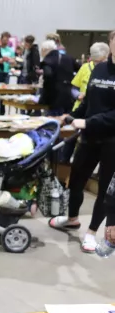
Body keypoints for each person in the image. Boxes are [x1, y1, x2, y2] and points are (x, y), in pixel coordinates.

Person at [49, 31, 115, 253]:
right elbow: (88, 100)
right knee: (76, 179)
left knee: (105, 189)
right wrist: (71, 116)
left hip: (111, 141)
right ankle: (72, 218)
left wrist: (87, 122)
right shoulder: (99, 69)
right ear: (110, 44)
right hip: (89, 137)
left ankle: (91, 232)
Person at [38, 39, 76, 117]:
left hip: (54, 97)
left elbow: (48, 76)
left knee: (53, 122)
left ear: (44, 50)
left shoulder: (47, 60)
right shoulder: (68, 58)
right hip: (68, 94)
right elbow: (79, 69)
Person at [71, 42, 110, 111]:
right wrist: (78, 95)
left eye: (100, 61)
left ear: (107, 56)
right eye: (95, 61)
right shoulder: (85, 67)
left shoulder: (110, 70)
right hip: (80, 109)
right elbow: (73, 88)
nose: (97, 64)